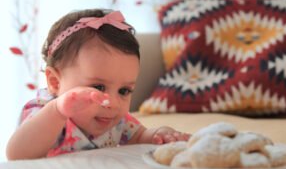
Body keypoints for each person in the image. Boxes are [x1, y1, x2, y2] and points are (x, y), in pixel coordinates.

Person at [6, 9, 190, 160]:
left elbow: (139, 138)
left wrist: (160, 134)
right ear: (55, 82)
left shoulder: (115, 122)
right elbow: (17, 155)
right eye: (98, 88)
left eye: (124, 90)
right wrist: (58, 110)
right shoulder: (45, 114)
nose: (112, 102)